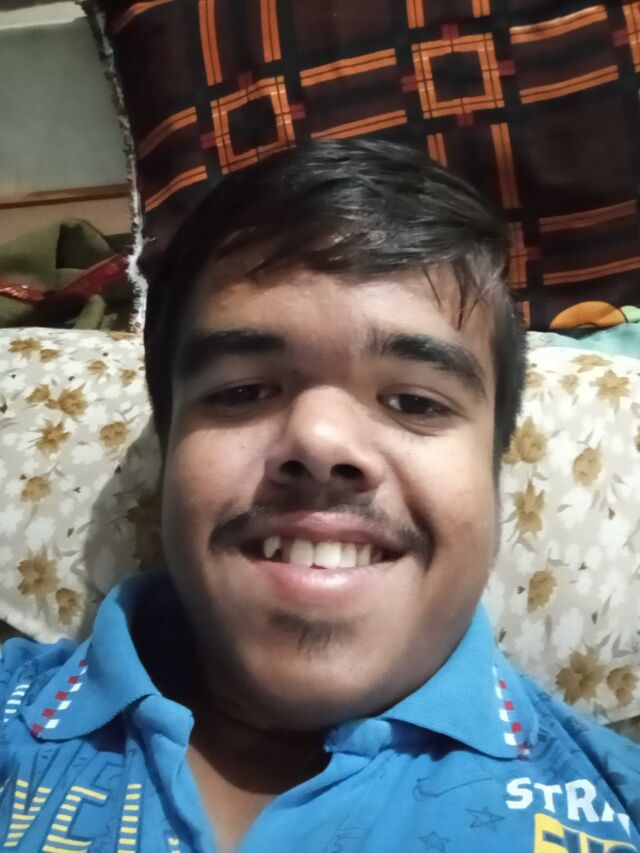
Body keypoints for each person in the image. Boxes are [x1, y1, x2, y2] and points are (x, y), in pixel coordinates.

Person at [0, 139, 638, 853]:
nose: (320, 440)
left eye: (415, 402)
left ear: (493, 477)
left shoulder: (616, 805)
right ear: (168, 452)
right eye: (243, 391)